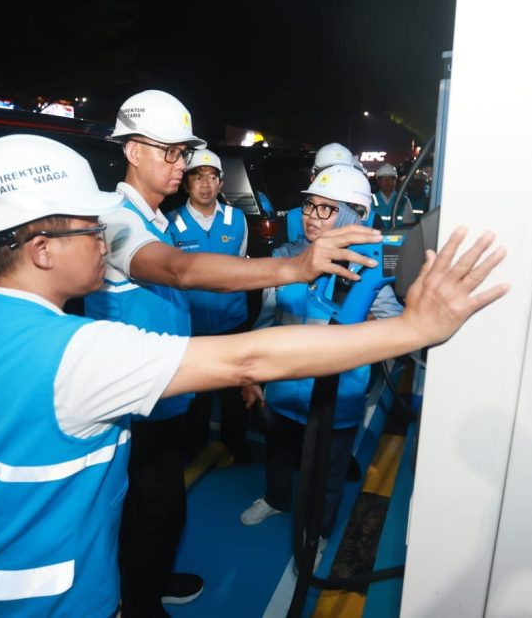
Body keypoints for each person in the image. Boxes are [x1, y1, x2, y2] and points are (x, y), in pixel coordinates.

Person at [0, 133, 508, 617]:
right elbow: (246, 358)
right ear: (43, 249)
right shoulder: (79, 354)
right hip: (49, 603)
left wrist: (7, 490)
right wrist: (416, 328)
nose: (103, 241)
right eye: (91, 229)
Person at [84, 90, 380, 616]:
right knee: (144, 507)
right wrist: (292, 268)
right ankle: (139, 602)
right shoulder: (117, 218)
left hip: (163, 394)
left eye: (184, 152)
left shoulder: (153, 219)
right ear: (132, 150)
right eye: (170, 152)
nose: (181, 164)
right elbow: (180, 270)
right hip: (133, 405)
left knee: (161, 508)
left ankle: (151, 581)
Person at [239, 165, 403, 572]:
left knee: (326, 472)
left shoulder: (371, 267)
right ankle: (276, 499)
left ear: (353, 215)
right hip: (283, 388)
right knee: (279, 454)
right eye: (310, 205)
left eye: (326, 209)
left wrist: (364, 320)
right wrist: (253, 376)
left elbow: (397, 328)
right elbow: (267, 318)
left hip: (336, 397)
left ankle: (318, 530)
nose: (311, 216)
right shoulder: (287, 257)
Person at [166, 149, 252, 464]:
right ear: (186, 183)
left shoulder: (237, 219)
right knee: (196, 397)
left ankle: (235, 445)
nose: (205, 184)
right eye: (197, 177)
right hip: (193, 328)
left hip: (233, 324)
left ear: (221, 183)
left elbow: (242, 265)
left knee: (234, 393)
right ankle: (194, 446)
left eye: (212, 177)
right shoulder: (170, 222)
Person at [285, 142, 380, 242]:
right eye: (327, 173)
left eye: (341, 173)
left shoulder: (371, 219)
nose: (333, 179)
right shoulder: (292, 218)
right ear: (313, 178)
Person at [372, 162, 416, 229]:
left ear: (395, 181)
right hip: (376, 236)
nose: (387, 181)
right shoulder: (371, 200)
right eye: (383, 178)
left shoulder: (403, 201)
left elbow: (409, 226)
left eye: (391, 178)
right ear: (378, 181)